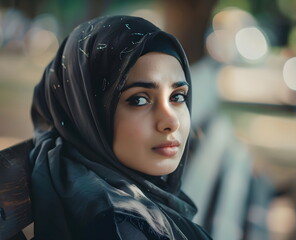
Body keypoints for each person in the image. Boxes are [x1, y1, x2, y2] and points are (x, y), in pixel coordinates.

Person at [29, 15, 212, 239]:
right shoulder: (117, 224)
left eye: (177, 97)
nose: (171, 122)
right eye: (139, 100)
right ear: (88, 113)